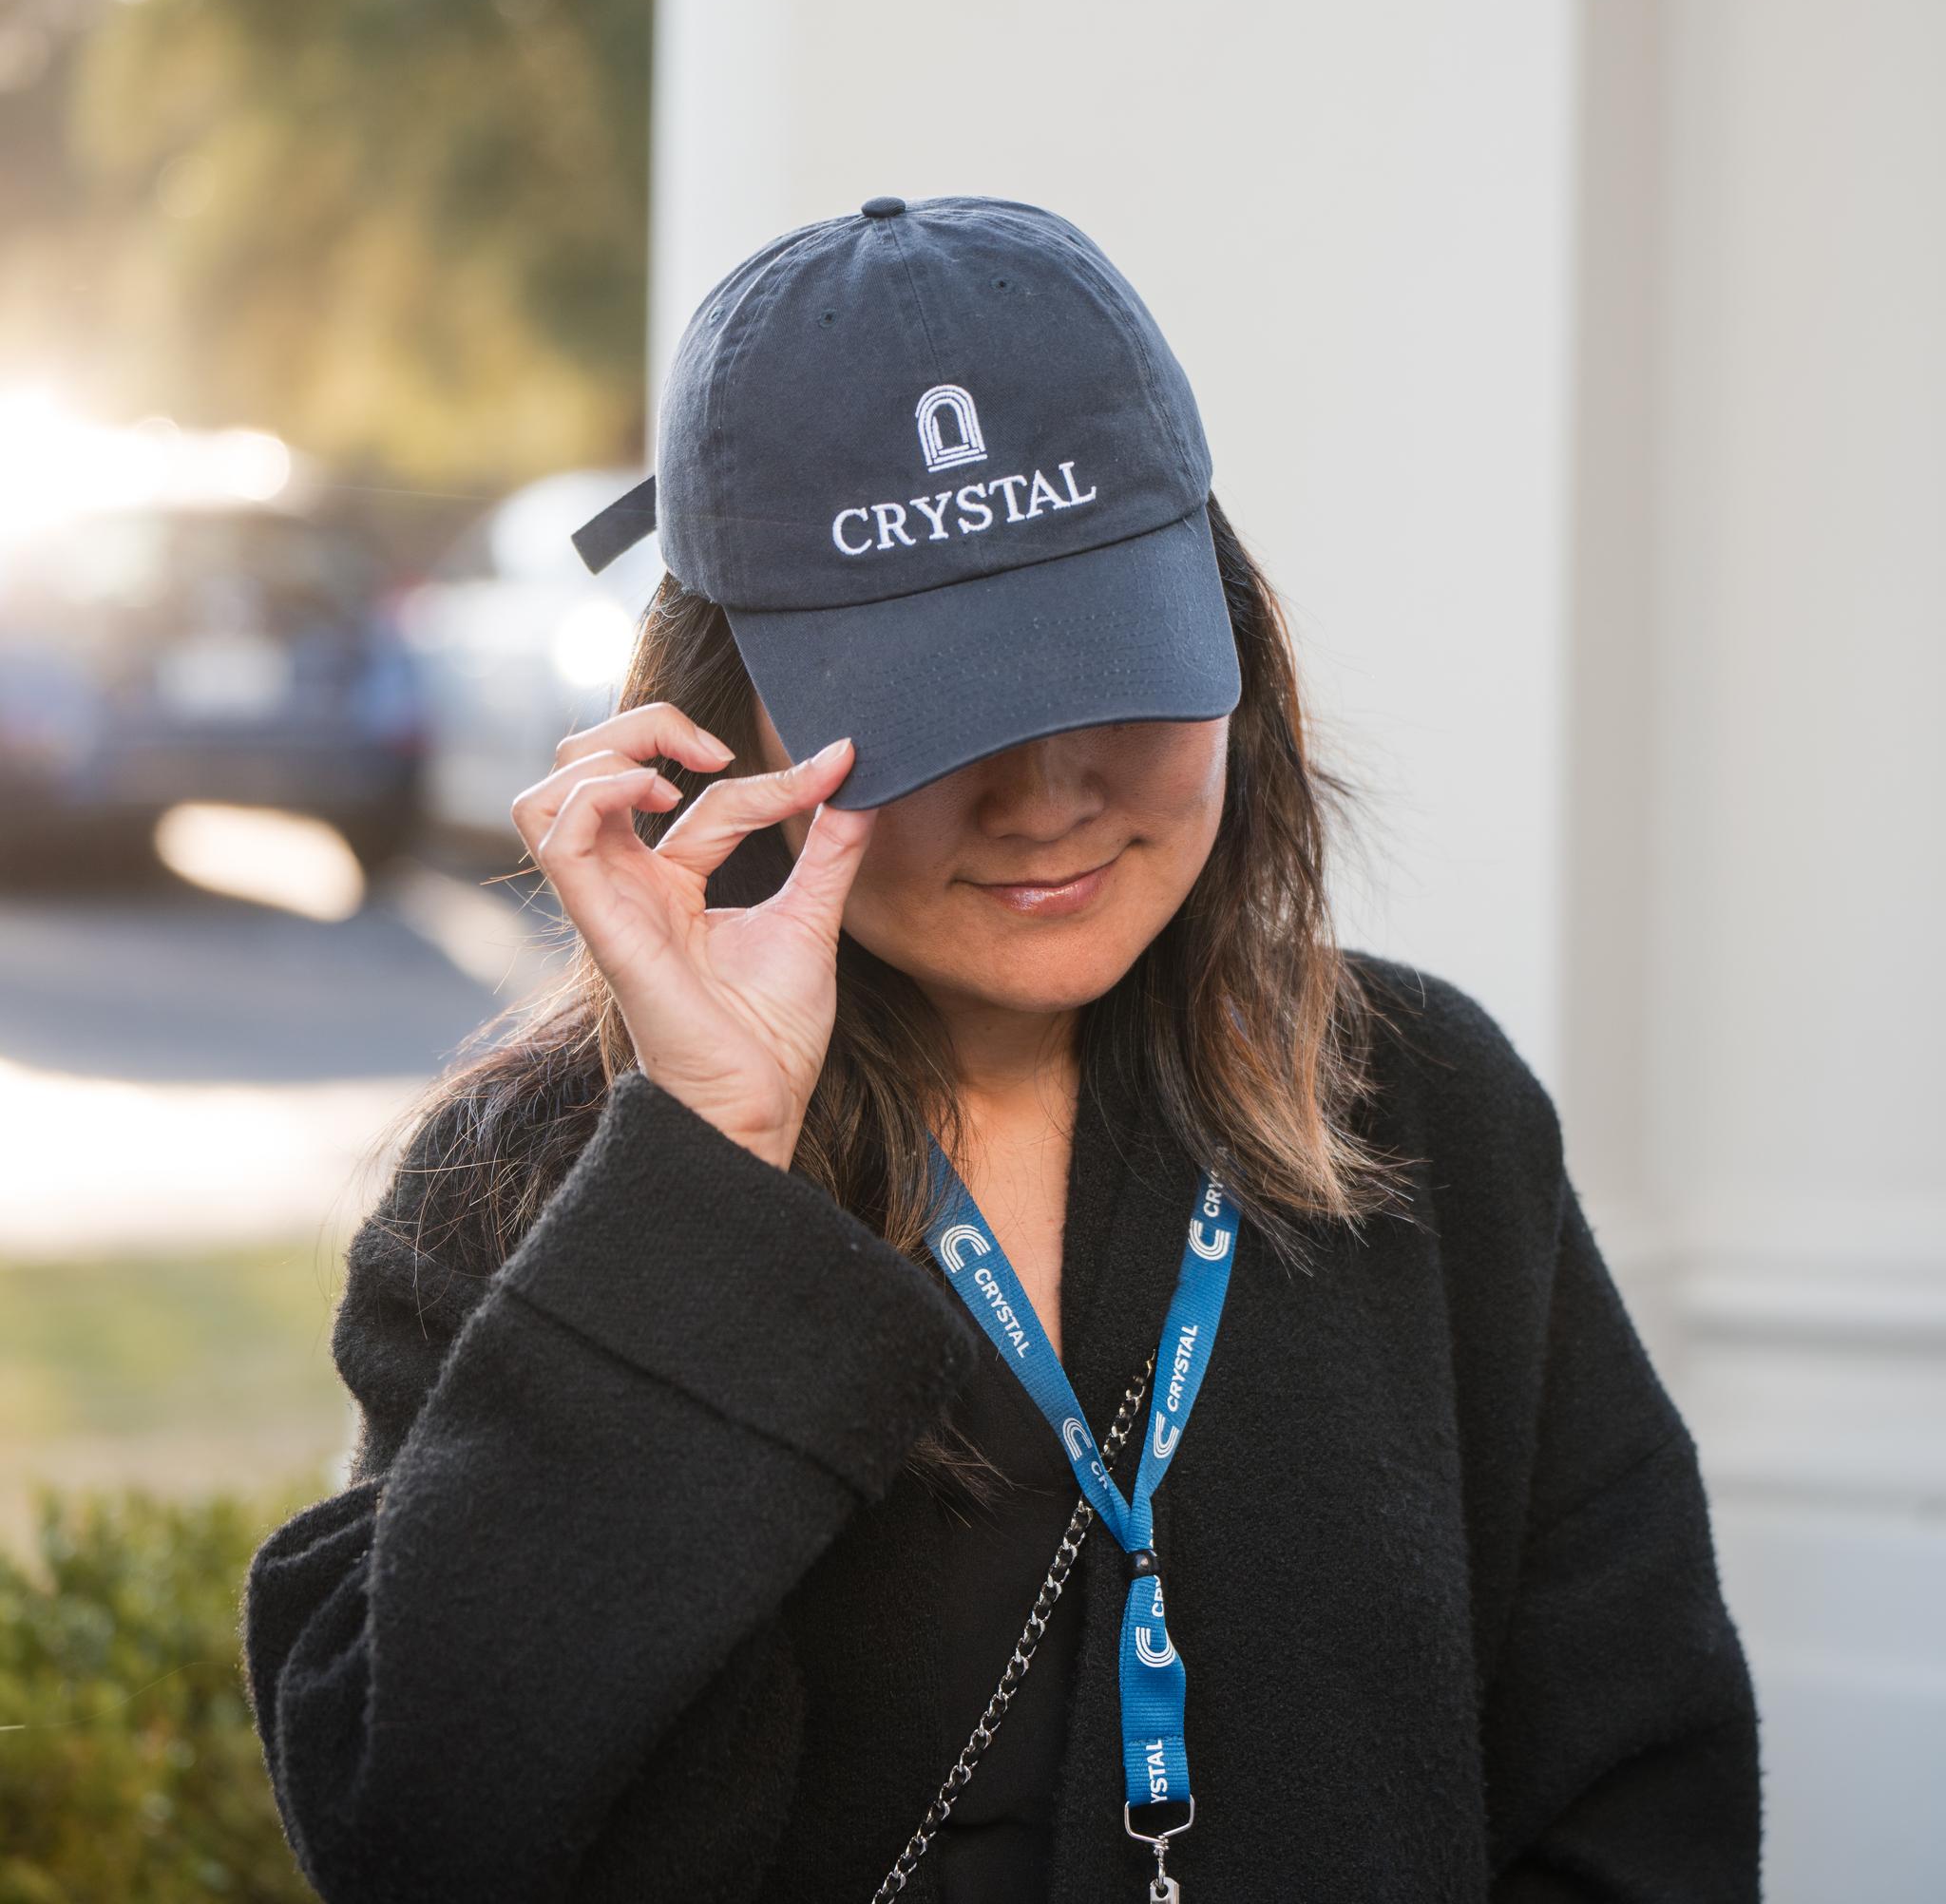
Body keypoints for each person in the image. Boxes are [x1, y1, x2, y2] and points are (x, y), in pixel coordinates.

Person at [241, 194, 1763, 1903]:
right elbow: (423, 1830)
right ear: (722, 718)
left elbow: (1639, 1788)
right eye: (937, 714)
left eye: (1107, 673)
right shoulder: (544, 1180)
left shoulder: (1423, 1105)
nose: (1045, 797)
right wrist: (703, 1173)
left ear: (1235, 639)